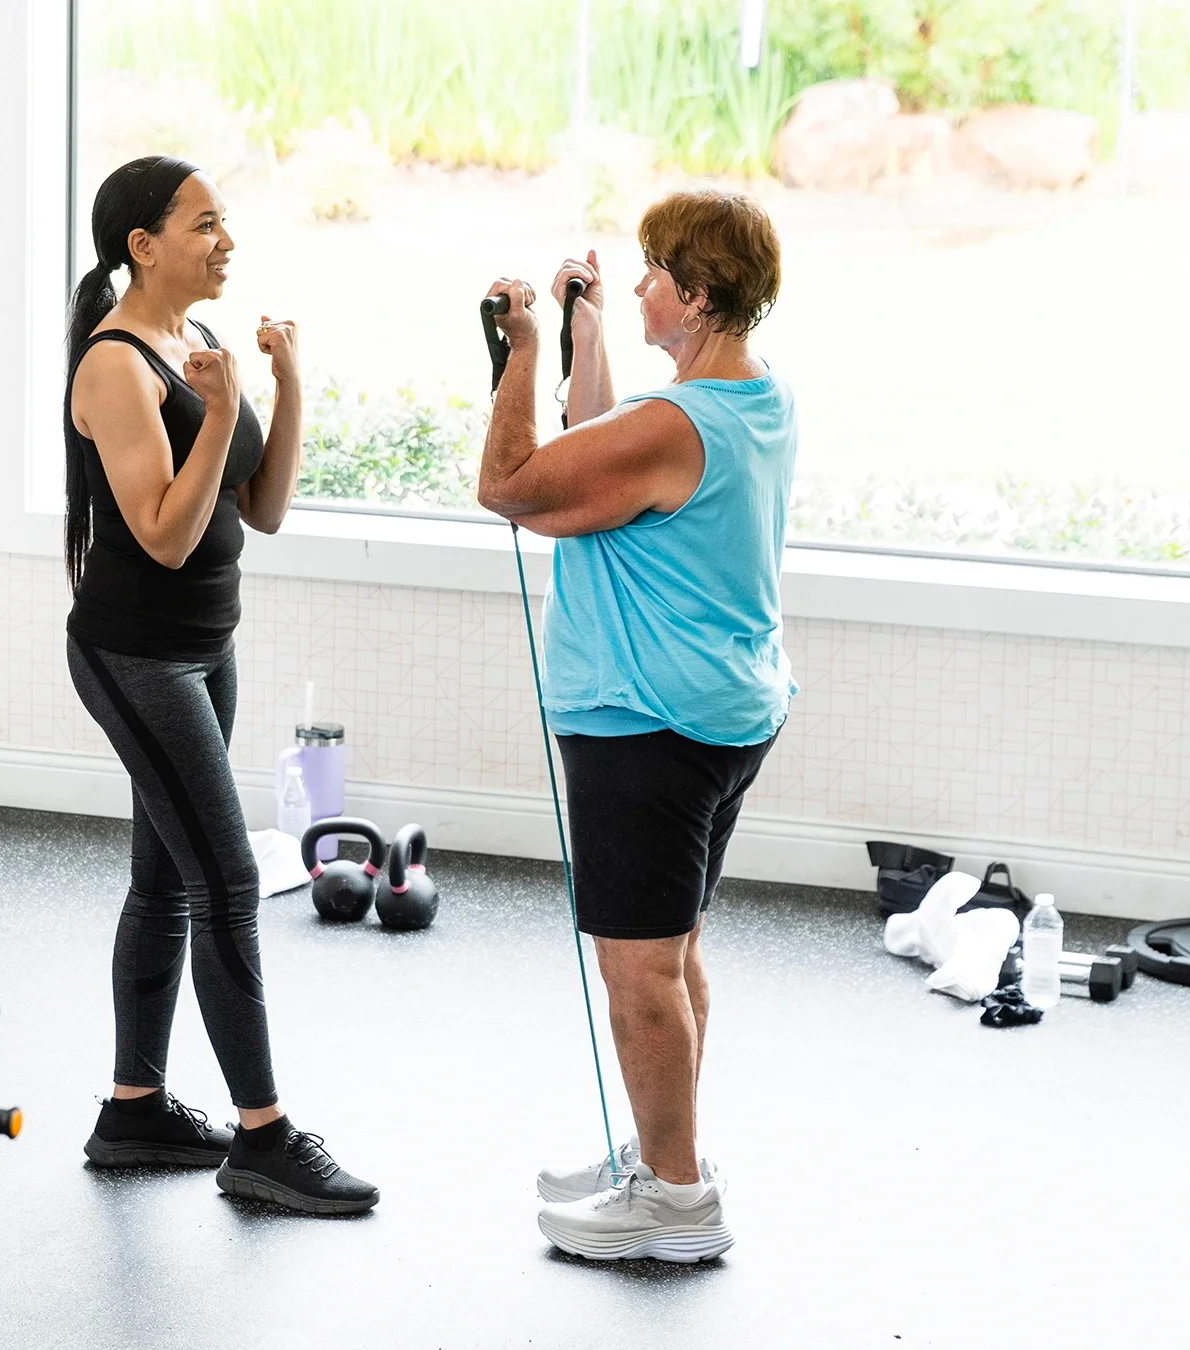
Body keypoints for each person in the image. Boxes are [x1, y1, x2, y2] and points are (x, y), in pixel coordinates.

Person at [476, 190, 795, 1261]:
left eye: (659, 272)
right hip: (719, 714)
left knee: (639, 973)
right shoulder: (749, 400)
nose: (645, 280)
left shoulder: (675, 426)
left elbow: (510, 484)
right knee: (676, 952)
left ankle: (673, 1200)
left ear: (698, 298)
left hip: (647, 728)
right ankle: (671, 1155)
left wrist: (519, 351)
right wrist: (587, 331)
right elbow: (607, 447)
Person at [64, 155, 377, 1216]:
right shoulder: (116, 368)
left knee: (167, 881)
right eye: (205, 225)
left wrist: (280, 391)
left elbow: (267, 506)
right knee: (228, 882)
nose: (226, 241)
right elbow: (159, 534)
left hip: (206, 646)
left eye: (226, 222)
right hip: (134, 655)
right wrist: (225, 399)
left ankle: (134, 1110)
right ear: (143, 246)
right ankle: (263, 1138)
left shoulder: (196, 347)